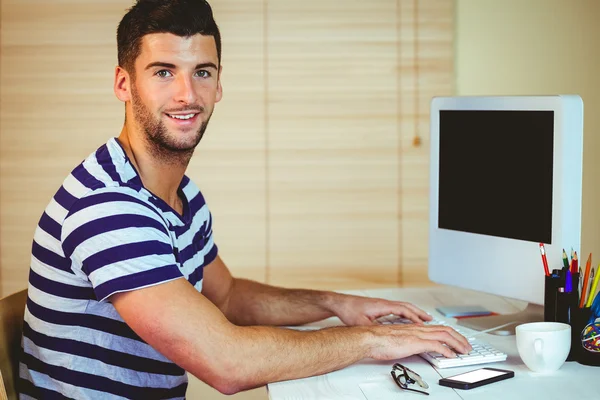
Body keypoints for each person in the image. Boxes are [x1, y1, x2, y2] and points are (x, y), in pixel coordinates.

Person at [18, 0, 471, 398]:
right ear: (123, 83)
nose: (186, 94)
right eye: (163, 72)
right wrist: (373, 341)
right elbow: (228, 364)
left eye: (202, 72)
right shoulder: (108, 207)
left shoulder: (180, 196)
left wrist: (337, 304)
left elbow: (228, 297)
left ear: (218, 86)